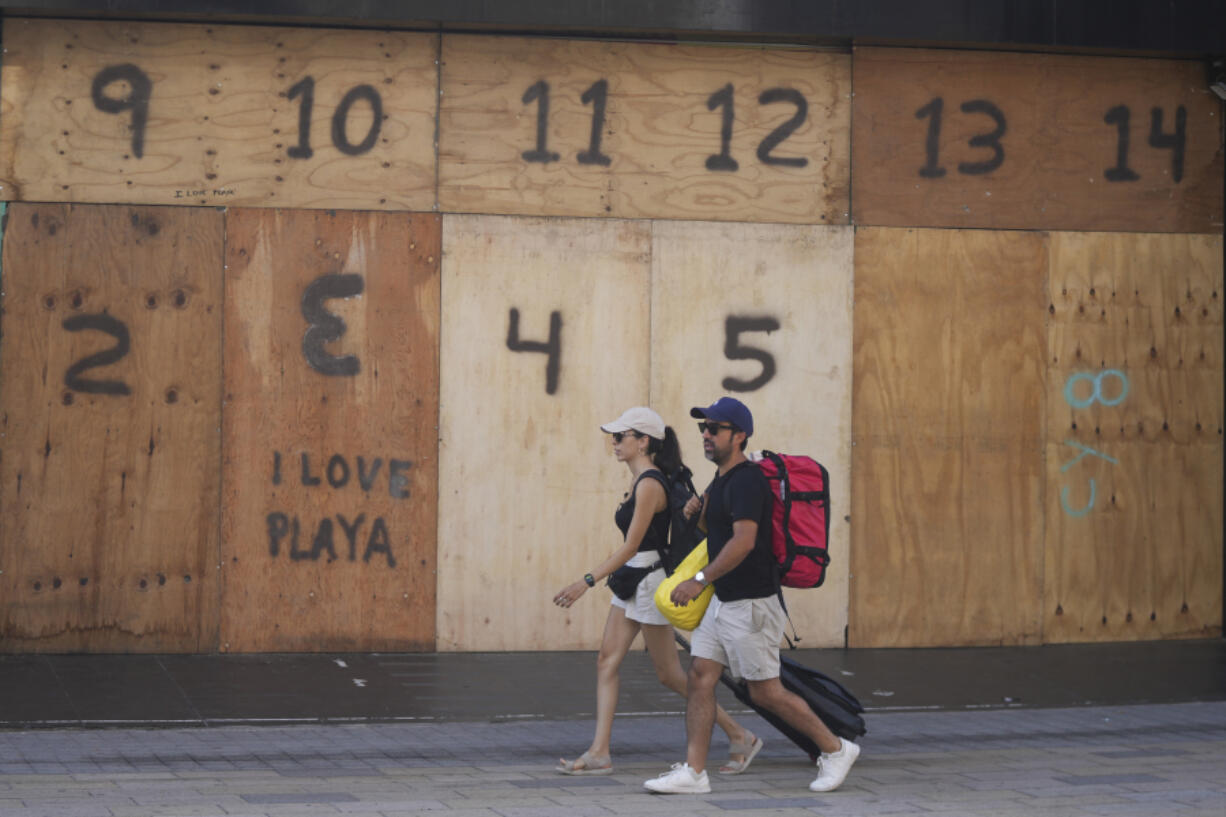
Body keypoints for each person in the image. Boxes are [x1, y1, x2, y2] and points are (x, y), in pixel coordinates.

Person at [644, 397, 860, 795]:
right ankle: (694, 772)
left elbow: (743, 542)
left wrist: (700, 580)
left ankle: (835, 748)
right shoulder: (723, 480)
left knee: (765, 691)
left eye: (715, 429)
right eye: (703, 429)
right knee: (700, 675)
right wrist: (701, 510)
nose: (706, 436)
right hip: (726, 600)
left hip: (752, 603)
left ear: (739, 435)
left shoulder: (747, 480)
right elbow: (719, 531)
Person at [553, 406, 763, 776]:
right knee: (607, 660)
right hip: (631, 580)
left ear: (643, 441)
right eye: (614, 437)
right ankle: (600, 751)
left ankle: (740, 734)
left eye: (621, 437)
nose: (614, 443)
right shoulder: (641, 481)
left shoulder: (650, 484)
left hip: (647, 581)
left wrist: (585, 582)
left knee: (669, 673)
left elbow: (632, 546)